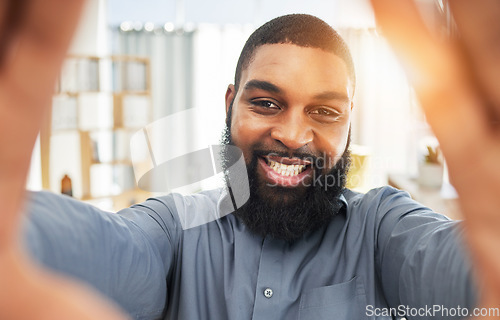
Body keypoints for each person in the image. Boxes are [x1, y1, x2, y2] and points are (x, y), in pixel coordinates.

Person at [1, 1, 500, 319]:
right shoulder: (176, 227)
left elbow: (467, 275)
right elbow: (106, 248)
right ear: (229, 106)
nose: (290, 134)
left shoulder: (383, 228)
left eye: (324, 111)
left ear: (350, 127)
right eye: (266, 103)